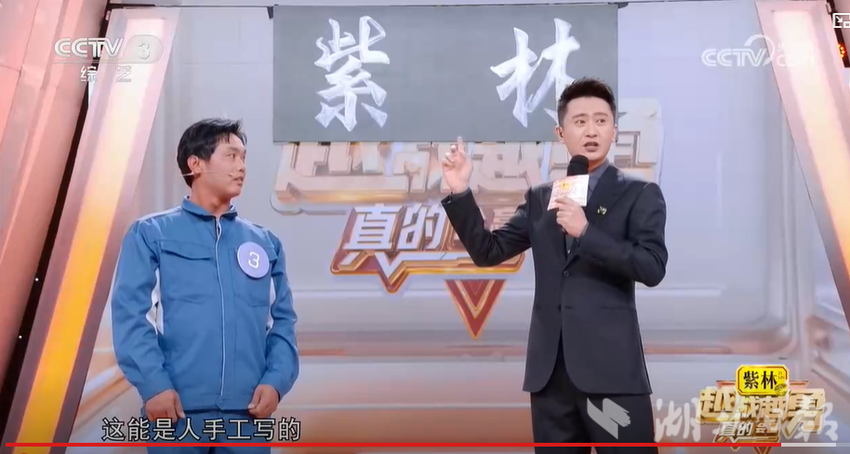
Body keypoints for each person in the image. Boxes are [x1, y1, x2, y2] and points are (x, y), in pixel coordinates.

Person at [440, 78, 667, 454]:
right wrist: (460, 190)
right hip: (551, 380)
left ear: (614, 130)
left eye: (601, 121)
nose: (591, 131)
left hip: (612, 377)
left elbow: (652, 266)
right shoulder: (541, 198)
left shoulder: (639, 193)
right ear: (561, 133)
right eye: (580, 121)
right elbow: (488, 251)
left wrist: (587, 232)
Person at [111, 118, 299, 454]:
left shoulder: (264, 244)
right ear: (195, 164)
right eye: (231, 156)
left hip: (247, 416)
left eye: (244, 158)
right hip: (176, 411)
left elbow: (281, 323)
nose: (241, 167)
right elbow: (132, 317)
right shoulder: (151, 235)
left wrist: (276, 382)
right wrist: (154, 385)